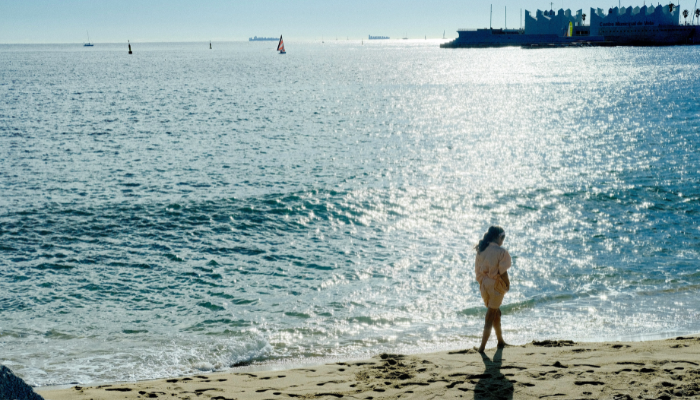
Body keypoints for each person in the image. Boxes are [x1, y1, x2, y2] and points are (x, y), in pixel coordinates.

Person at [474, 226, 511, 353]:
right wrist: (507, 284)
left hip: (484, 284)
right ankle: (482, 347)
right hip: (496, 285)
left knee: (496, 312)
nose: (503, 241)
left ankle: (500, 341)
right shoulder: (501, 251)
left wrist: (483, 282)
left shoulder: (481, 249)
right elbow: (503, 272)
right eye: (503, 238)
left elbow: (477, 270)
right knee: (490, 315)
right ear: (498, 237)